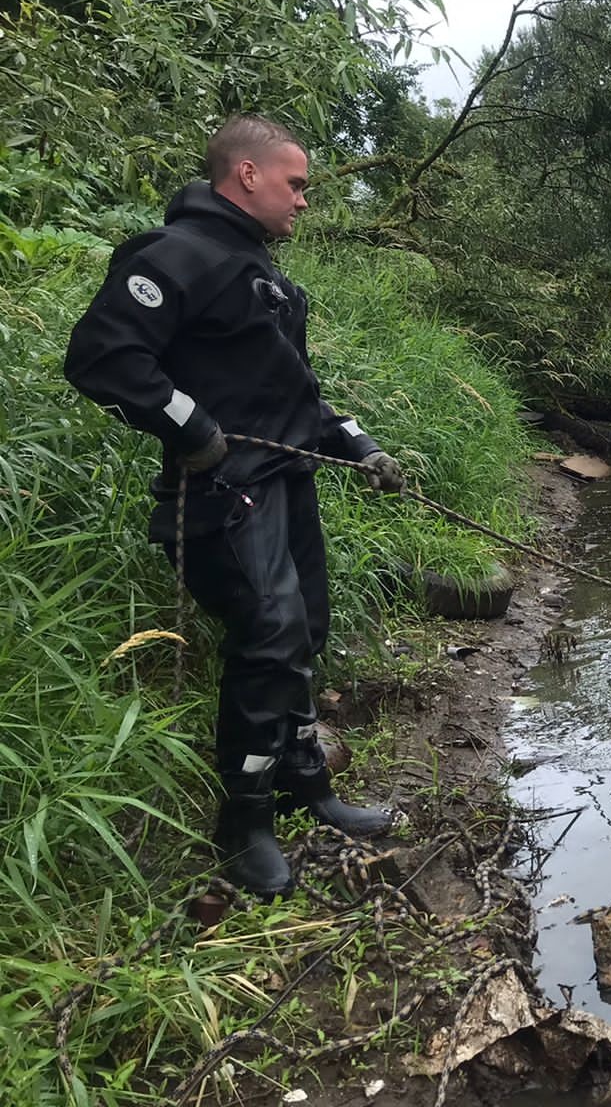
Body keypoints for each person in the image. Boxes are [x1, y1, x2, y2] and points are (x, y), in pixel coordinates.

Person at [64, 114, 402, 896]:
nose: (304, 201)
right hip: (221, 491)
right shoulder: (174, 255)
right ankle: (243, 823)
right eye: (296, 184)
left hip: (286, 480)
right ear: (246, 176)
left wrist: (361, 446)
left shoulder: (269, 278)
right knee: (269, 636)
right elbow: (103, 357)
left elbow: (293, 393)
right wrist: (192, 429)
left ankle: (304, 784)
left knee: (305, 627)